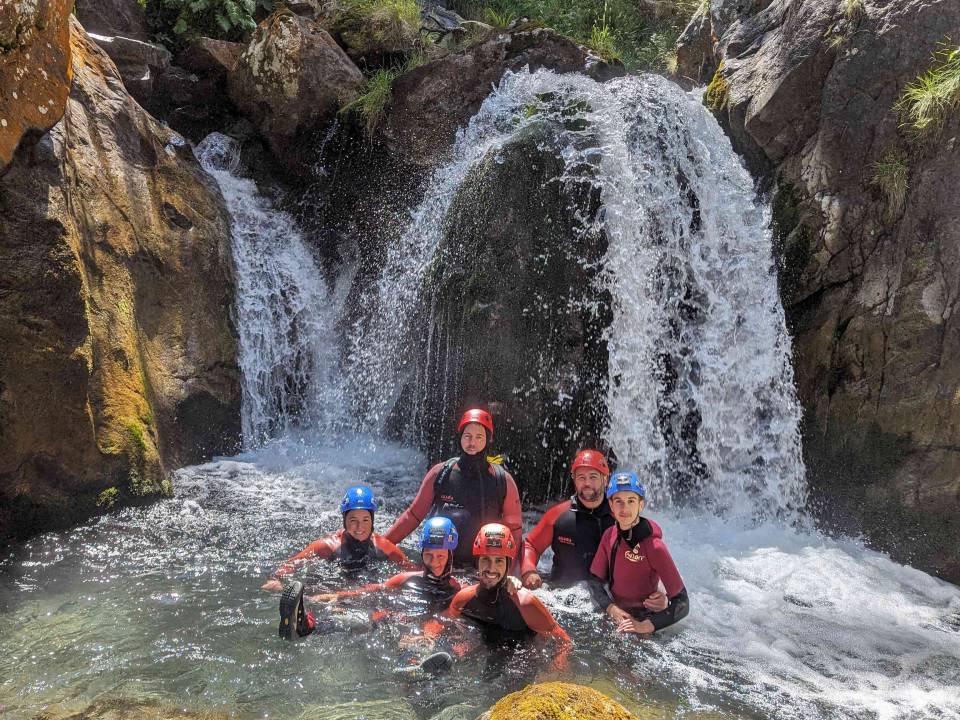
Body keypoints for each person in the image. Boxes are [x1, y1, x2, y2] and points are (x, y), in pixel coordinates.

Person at [417, 523, 572, 670]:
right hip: (481, 650)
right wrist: (426, 637)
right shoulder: (464, 598)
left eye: (499, 561)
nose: (491, 568)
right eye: (486, 559)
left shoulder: (526, 604)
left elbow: (563, 642)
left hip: (519, 660)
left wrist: (556, 667)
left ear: (508, 564)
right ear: (477, 562)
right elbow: (442, 620)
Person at [385, 408, 523, 567]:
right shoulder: (440, 473)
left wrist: (509, 575)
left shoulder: (502, 480)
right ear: (460, 437)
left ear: (488, 439)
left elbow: (515, 531)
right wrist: (383, 543)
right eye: (467, 436)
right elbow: (413, 516)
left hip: (483, 569)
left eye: (479, 437)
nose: (472, 442)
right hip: (437, 564)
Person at [588, 472, 689, 634]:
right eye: (619, 501)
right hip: (615, 611)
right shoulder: (609, 535)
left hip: (646, 617)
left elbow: (682, 604)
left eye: (631, 501)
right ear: (611, 506)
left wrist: (644, 626)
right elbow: (594, 581)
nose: (625, 508)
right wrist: (611, 608)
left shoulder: (655, 547)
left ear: (641, 505)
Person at [262, 484, 407, 595]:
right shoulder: (327, 546)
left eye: (365, 520)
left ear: (372, 520)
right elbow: (291, 564)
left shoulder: (384, 547)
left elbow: (413, 571)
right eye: (353, 520)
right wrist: (275, 579)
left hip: (361, 592)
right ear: (344, 520)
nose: (359, 527)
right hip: (329, 589)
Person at [310, 516, 462, 609]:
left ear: (450, 556)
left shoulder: (459, 589)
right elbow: (375, 588)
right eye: (428, 555)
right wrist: (339, 595)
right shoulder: (406, 578)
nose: (434, 562)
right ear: (422, 554)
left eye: (440, 556)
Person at [521, 449, 616, 589]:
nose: (587, 483)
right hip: (560, 597)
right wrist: (529, 571)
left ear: (605, 479)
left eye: (593, 477)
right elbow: (531, 546)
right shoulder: (558, 514)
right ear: (574, 480)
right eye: (581, 477)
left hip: (607, 597)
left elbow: (641, 555)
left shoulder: (620, 516)